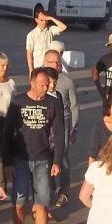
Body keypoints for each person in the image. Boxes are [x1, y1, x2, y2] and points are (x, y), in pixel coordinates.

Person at [4, 67, 65, 224]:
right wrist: (7, 162)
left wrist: (57, 160)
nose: (46, 88)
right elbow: (7, 133)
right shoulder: (18, 102)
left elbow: (59, 133)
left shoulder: (54, 103)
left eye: (47, 85)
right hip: (20, 160)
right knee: (19, 203)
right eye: (42, 85)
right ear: (32, 83)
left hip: (43, 160)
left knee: (42, 204)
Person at [43, 47, 79, 208]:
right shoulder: (39, 79)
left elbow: (74, 106)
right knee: (47, 157)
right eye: (51, 62)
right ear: (44, 63)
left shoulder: (67, 81)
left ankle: (63, 191)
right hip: (44, 123)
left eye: (58, 62)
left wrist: (74, 127)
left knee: (62, 157)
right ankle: (49, 189)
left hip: (63, 122)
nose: (55, 65)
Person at [25, 4, 67, 72]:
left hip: (50, 67)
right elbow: (29, 53)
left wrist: (51, 18)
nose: (44, 22)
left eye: (45, 20)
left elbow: (64, 27)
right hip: (39, 67)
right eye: (41, 20)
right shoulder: (31, 35)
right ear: (36, 20)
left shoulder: (50, 30)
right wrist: (31, 70)